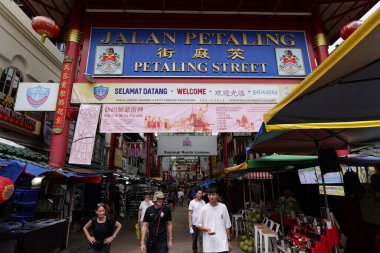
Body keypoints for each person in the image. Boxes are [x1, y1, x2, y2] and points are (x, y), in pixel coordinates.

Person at [196, 186, 232, 253]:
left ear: (217, 195)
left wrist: (229, 241)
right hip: (209, 246)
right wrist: (207, 229)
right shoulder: (204, 209)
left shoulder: (223, 207)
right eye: (209, 194)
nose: (211, 197)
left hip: (222, 245)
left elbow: (227, 226)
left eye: (213, 194)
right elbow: (198, 225)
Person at [189, 189, 206, 253]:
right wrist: (190, 225)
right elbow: (190, 213)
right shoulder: (192, 202)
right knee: (194, 239)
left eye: (201, 193)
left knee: (202, 239)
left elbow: (205, 213)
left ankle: (202, 251)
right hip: (194, 224)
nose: (200, 194)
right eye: (199, 193)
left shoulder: (203, 202)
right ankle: (194, 250)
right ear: (196, 194)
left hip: (201, 224)